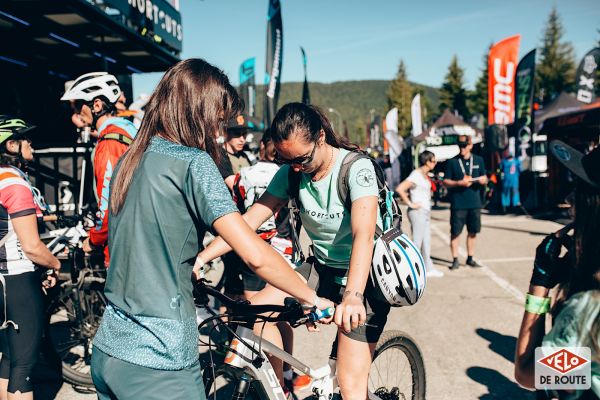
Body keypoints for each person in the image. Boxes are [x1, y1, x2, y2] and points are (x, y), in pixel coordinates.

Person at [89, 59, 332, 400]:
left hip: (108, 351)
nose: (217, 132)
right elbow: (254, 252)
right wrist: (311, 297)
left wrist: (190, 264)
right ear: (198, 111)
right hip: (159, 362)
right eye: (217, 120)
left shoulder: (130, 161)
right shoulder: (192, 163)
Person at [199, 102, 392, 400]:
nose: (297, 168)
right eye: (289, 161)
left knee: (351, 388)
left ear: (321, 138)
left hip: (364, 277)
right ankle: (281, 390)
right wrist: (202, 258)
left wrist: (352, 297)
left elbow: (363, 235)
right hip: (322, 268)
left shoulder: (356, 168)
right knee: (256, 315)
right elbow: (246, 224)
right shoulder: (291, 173)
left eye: (302, 159)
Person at [515, 141, 599, 399]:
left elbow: (529, 373)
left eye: (578, 190)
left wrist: (540, 282)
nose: (569, 199)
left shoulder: (586, 310)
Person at [231, 129, 308, 394]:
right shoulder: (291, 174)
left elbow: (238, 216)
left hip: (253, 249)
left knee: (259, 315)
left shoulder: (245, 176)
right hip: (285, 250)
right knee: (278, 317)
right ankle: (285, 375)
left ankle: (275, 382)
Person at [0, 116, 61, 400]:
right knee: (23, 366)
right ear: (11, 145)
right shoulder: (15, 182)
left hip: (1, 282)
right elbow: (32, 246)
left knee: (8, 359)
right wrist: (55, 264)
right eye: (27, 140)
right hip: (18, 282)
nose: (32, 145)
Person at [61, 72, 138, 267]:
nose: (77, 113)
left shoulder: (110, 142)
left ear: (96, 105)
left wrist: (93, 240)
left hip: (124, 248)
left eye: (79, 105)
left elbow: (109, 204)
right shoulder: (129, 131)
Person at [396, 150, 444, 278]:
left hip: (425, 211)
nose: (435, 163)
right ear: (427, 161)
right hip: (417, 212)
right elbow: (400, 188)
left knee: (426, 241)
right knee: (417, 242)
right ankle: (412, 270)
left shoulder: (424, 175)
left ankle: (428, 268)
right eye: (433, 161)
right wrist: (410, 204)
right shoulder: (416, 174)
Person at [443, 135, 488, 270]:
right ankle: (455, 259)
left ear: (470, 146)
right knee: (455, 232)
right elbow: (445, 181)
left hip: (474, 202)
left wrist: (483, 180)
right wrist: (458, 183)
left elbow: (484, 177)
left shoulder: (479, 160)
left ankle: (470, 258)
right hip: (458, 203)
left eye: (464, 146)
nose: (461, 148)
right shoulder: (452, 162)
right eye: (460, 146)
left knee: (473, 231)